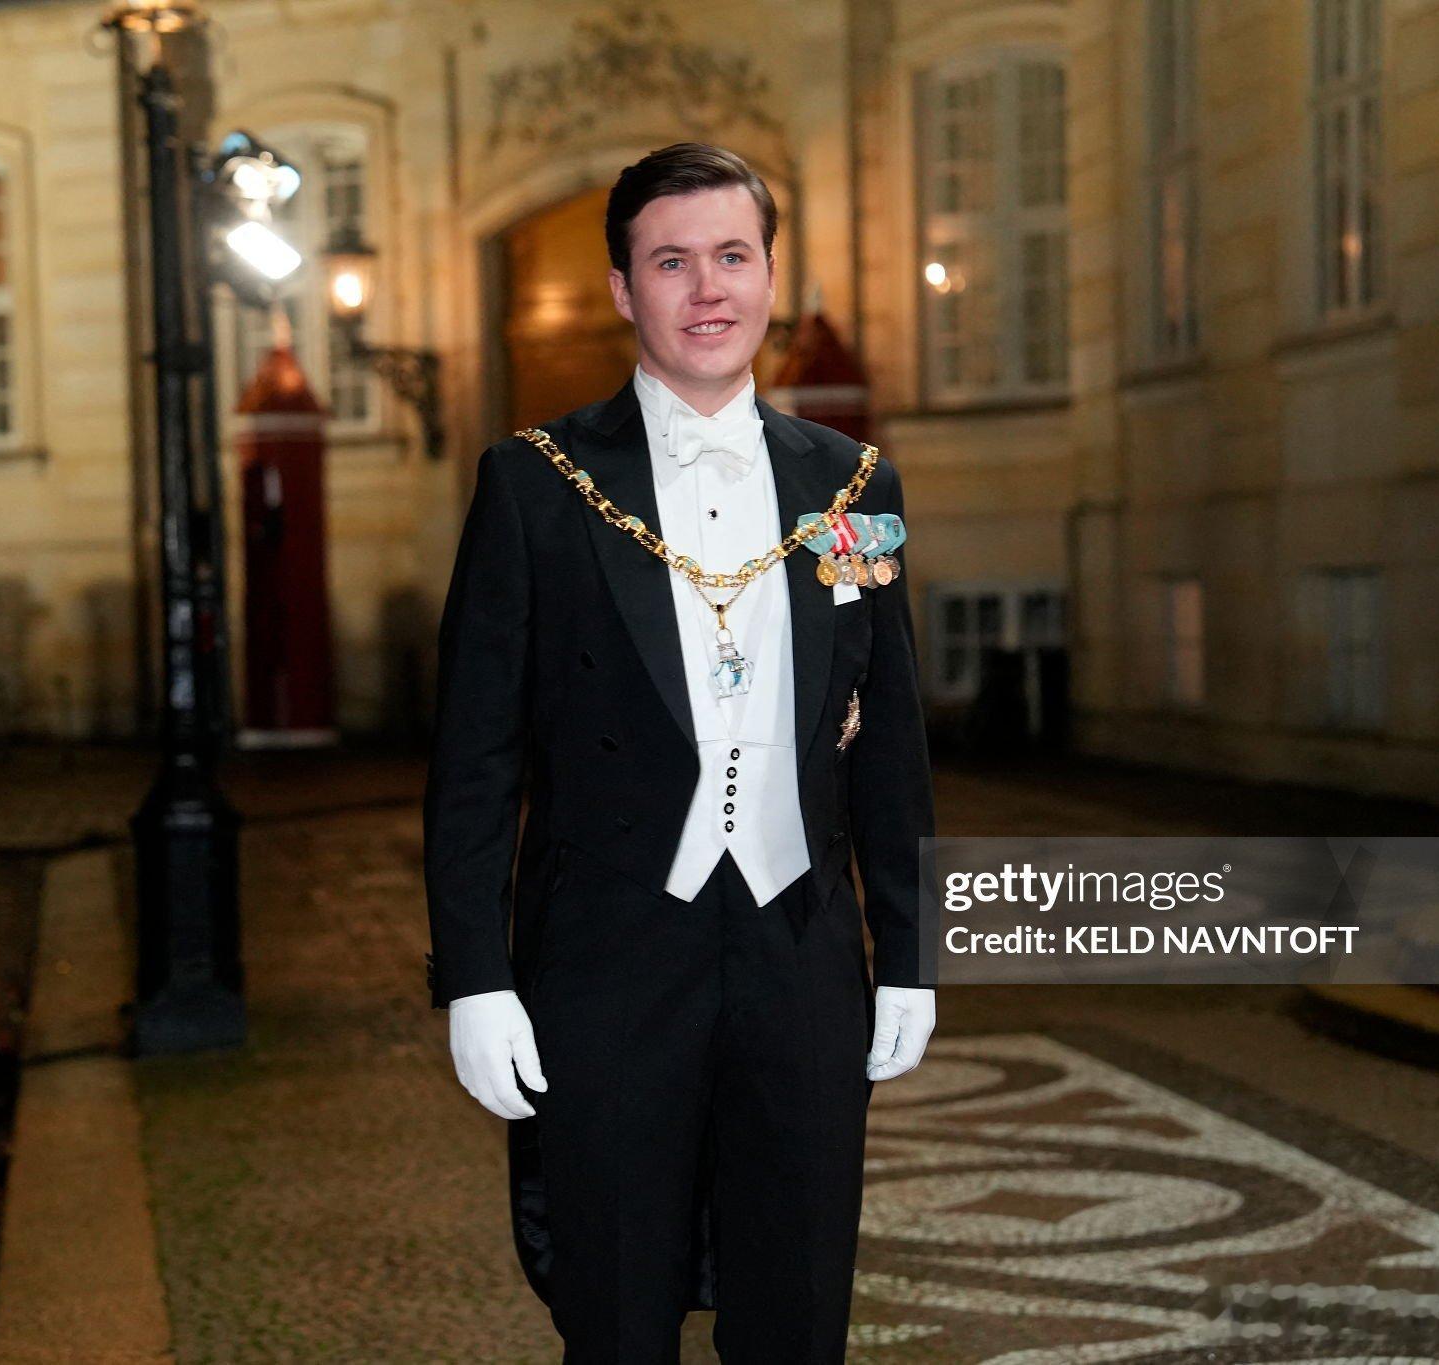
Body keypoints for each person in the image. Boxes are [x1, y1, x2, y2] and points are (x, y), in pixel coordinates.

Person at [422, 142, 937, 1362]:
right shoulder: (535, 481)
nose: (707, 289)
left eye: (731, 256)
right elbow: (474, 759)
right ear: (621, 289)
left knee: (797, 1317)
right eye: (669, 262)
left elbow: (889, 744)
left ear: (768, 275)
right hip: (605, 958)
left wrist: (910, 955)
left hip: (799, 951)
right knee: (612, 1317)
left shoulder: (852, 481)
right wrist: (475, 977)